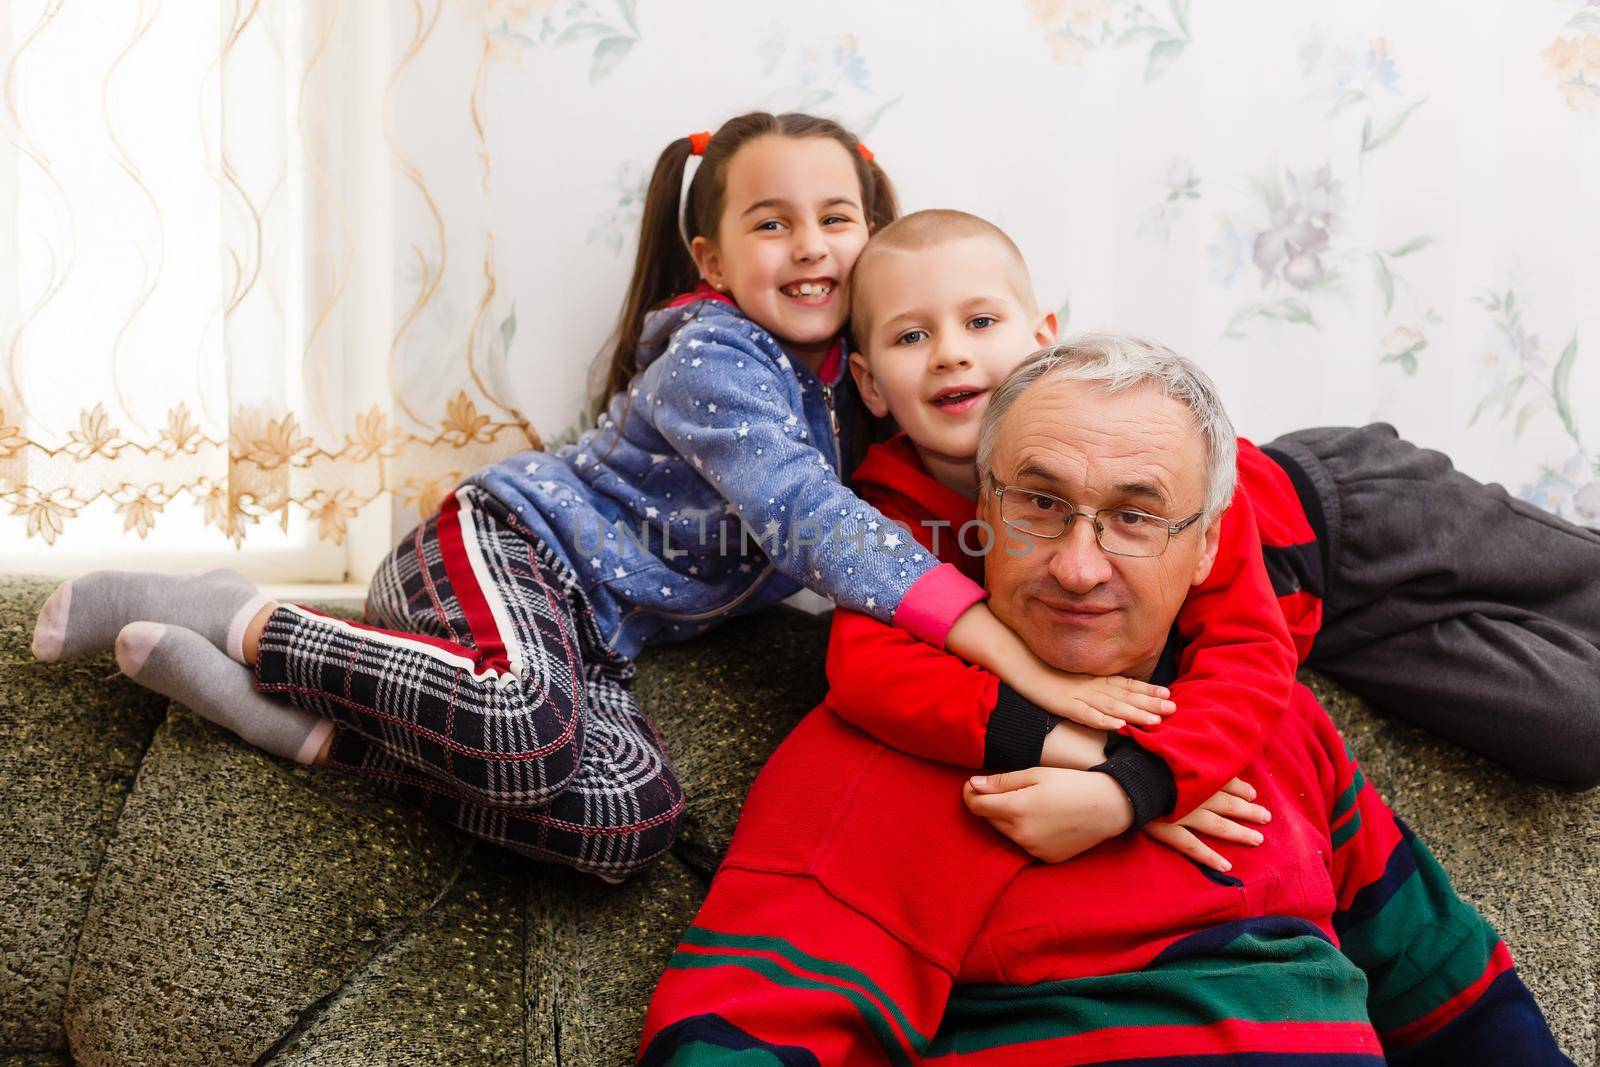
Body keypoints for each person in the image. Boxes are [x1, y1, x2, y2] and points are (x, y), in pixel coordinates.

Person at [27, 114, 1169, 882]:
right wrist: (1021, 667)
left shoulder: (858, 388)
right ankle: (244, 610)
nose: (811, 244)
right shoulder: (715, 357)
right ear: (713, 258)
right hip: (510, 549)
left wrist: (1139, 774)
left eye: (838, 217)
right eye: (772, 222)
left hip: (593, 645)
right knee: (522, 714)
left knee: (629, 819)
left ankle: (307, 730)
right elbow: (813, 524)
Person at [638, 339, 1571, 1065]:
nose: (1078, 567)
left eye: (1135, 515)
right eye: (1039, 503)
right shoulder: (878, 749)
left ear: (1207, 548)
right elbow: (737, 1035)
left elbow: (1454, 991)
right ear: (983, 514)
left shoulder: (1272, 719)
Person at [824, 211, 1600, 883]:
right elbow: (865, 669)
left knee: (1582, 582)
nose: (951, 353)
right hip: (1328, 629)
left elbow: (1245, 648)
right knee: (1575, 725)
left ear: (1044, 339)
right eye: (912, 335)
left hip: (1347, 512)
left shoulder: (1160, 493)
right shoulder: (885, 522)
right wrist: (1076, 747)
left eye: (981, 322)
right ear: (868, 382)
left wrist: (1135, 786)